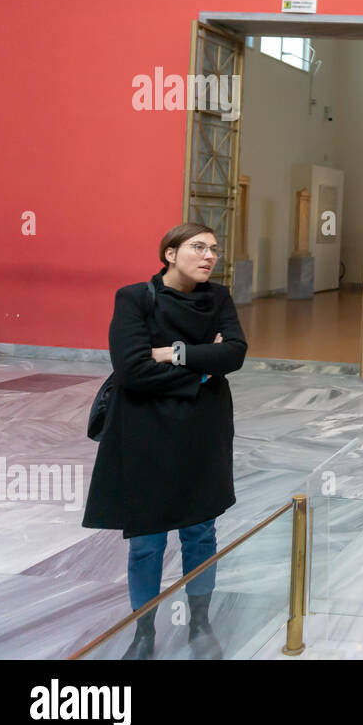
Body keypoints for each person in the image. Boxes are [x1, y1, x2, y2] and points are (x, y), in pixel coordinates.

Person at [82, 223, 247, 659]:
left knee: (200, 531)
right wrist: (203, 369)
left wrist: (172, 353)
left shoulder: (219, 297)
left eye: (214, 248)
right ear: (170, 253)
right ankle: (143, 633)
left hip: (202, 431)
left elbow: (235, 353)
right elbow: (133, 370)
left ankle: (199, 622)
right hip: (145, 431)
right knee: (147, 539)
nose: (209, 255)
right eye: (198, 247)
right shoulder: (135, 298)